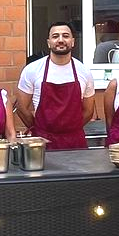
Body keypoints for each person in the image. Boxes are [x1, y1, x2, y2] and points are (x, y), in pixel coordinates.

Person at [16, 22, 96, 150]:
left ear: (73, 41)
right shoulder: (32, 70)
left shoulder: (84, 72)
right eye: (55, 36)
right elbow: (21, 108)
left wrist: (72, 130)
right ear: (49, 42)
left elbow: (88, 111)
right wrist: (39, 128)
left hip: (75, 142)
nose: (60, 40)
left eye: (65, 36)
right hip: (43, 142)